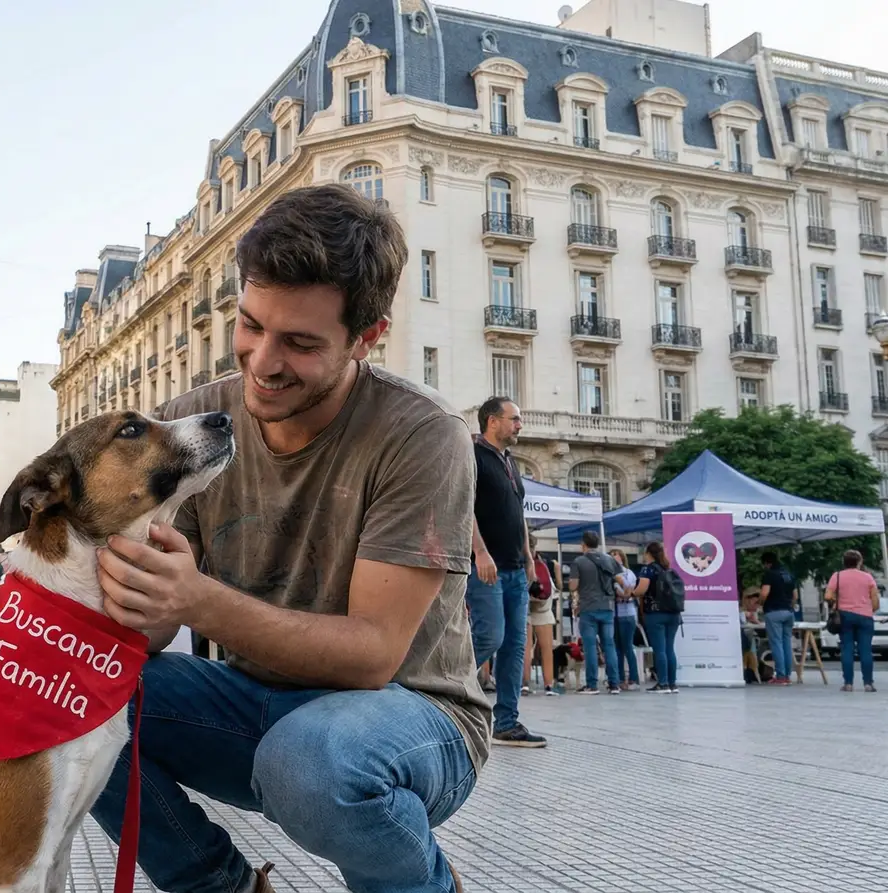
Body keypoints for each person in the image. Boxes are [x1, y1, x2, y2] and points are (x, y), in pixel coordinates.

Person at [90, 185, 484, 893]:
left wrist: (198, 599)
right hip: (255, 706)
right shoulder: (192, 423)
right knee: (74, 696)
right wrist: (132, 596)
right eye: (250, 325)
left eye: (301, 343)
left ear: (368, 337)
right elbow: (140, 640)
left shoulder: (423, 434)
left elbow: (372, 655)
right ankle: (224, 887)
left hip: (416, 715)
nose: (262, 363)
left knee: (311, 762)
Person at [466, 396, 546, 746]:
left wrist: (528, 555)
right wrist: (480, 552)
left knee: (515, 646)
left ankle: (507, 722)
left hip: (515, 568)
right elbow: (462, 507)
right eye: (514, 418)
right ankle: (437, 685)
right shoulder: (473, 456)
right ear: (492, 421)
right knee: (490, 636)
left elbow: (518, 512)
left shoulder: (511, 461)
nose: (520, 424)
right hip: (487, 569)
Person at [569, 530, 623, 695]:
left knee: (590, 646)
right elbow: (621, 580)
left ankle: (592, 685)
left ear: (583, 544)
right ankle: (614, 684)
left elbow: (573, 586)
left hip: (588, 608)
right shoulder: (609, 560)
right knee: (609, 645)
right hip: (607, 607)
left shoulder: (579, 561)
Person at [825, 549, 878, 692]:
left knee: (847, 648)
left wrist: (836, 603)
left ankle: (848, 683)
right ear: (859, 562)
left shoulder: (837, 576)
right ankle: (868, 683)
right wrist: (869, 609)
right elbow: (875, 599)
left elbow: (828, 596)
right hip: (865, 616)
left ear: (844, 562)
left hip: (845, 616)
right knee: (865, 650)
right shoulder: (868, 577)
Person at [634, 541, 681, 693]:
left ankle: (662, 683)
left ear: (648, 553)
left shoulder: (648, 570)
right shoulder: (668, 569)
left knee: (659, 649)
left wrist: (631, 592)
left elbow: (641, 590)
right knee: (669, 649)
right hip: (673, 613)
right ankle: (672, 683)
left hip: (655, 613)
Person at [522, 535, 559, 697]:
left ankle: (525, 684)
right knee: (546, 649)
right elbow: (558, 585)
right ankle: (549, 684)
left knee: (525, 649)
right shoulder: (550, 564)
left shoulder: (519, 562)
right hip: (543, 610)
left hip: (524, 608)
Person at [759, 552, 798, 686]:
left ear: (767, 563)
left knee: (776, 643)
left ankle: (780, 675)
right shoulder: (788, 575)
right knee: (786, 644)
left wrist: (760, 603)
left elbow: (764, 593)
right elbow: (795, 596)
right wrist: (789, 607)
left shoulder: (770, 574)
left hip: (773, 611)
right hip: (788, 612)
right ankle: (787, 675)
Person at [609, 548, 641, 691]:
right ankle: (620, 678)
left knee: (628, 647)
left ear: (622, 558)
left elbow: (627, 592)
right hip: (614, 614)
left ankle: (634, 679)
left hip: (627, 613)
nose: (614, 557)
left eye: (616, 555)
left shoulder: (629, 573)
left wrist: (621, 591)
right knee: (617, 649)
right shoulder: (610, 574)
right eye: (611, 555)